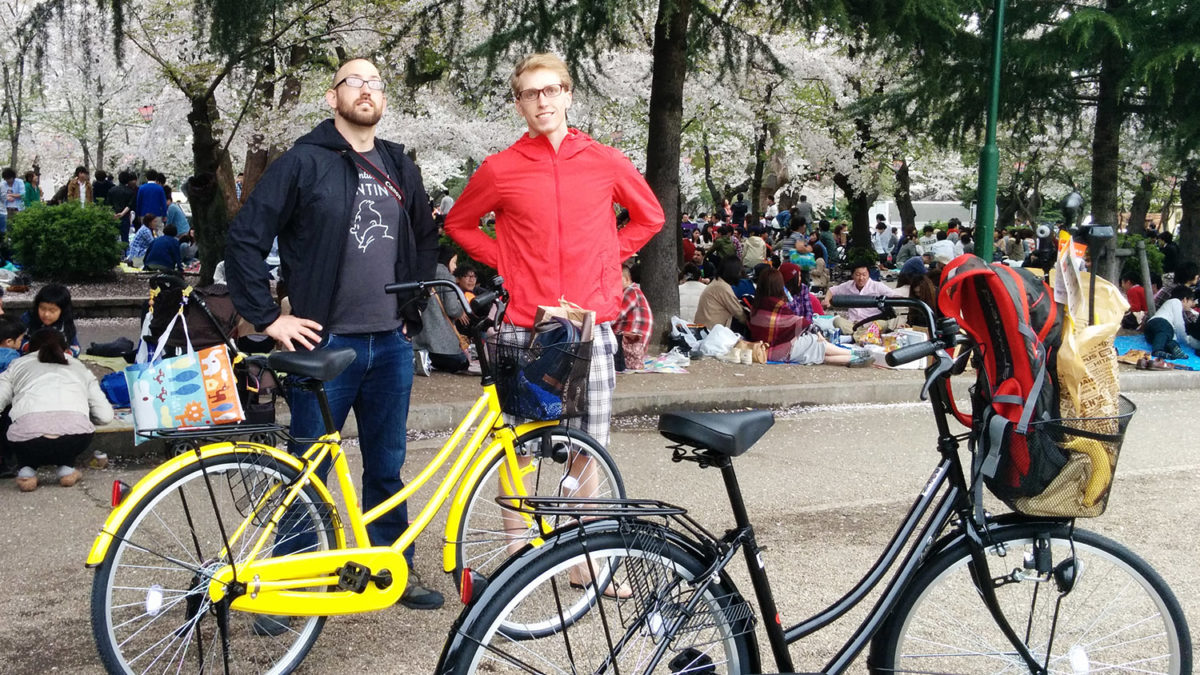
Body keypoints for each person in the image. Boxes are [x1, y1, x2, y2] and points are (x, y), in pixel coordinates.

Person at [226, 57, 442, 611]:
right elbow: (245, 238)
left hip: (391, 344)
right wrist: (270, 317)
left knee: (387, 465)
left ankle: (389, 569)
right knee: (307, 470)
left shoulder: (399, 164)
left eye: (376, 82)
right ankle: (287, 585)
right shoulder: (303, 162)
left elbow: (423, 236)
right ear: (333, 96)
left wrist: (411, 306)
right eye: (355, 82)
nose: (366, 90)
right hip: (324, 346)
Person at [445, 52, 663, 450]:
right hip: (523, 325)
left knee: (588, 450)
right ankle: (520, 516)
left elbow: (650, 217)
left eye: (551, 90)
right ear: (519, 105)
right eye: (530, 94)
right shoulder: (499, 168)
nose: (542, 101)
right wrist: (505, 260)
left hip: (588, 323)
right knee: (518, 453)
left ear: (568, 96)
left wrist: (605, 258)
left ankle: (585, 517)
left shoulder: (607, 161)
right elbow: (458, 223)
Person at [0, 328, 112, 491]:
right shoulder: (79, 366)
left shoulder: (17, 365)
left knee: (15, 422)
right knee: (66, 434)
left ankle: (26, 472)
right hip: (76, 438)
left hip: (27, 441)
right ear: (66, 350)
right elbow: (105, 415)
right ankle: (66, 470)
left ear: (29, 349)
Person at [750, 268, 868, 366]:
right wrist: (812, 331)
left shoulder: (757, 305)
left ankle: (852, 359)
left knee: (815, 352)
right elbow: (798, 321)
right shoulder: (778, 305)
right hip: (780, 349)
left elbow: (804, 316)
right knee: (814, 342)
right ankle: (853, 354)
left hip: (768, 348)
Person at [412, 246, 470, 376]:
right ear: (447, 259)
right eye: (454, 262)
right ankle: (430, 360)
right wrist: (460, 309)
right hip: (440, 341)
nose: (455, 267)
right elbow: (451, 308)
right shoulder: (445, 273)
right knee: (462, 362)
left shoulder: (422, 269)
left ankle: (423, 358)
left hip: (420, 337)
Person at [826, 262, 897, 333]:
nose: (861, 278)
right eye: (858, 275)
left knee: (882, 323)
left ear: (869, 275)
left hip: (871, 324)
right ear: (852, 275)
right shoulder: (848, 286)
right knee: (837, 321)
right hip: (853, 325)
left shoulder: (878, 286)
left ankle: (856, 336)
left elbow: (894, 295)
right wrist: (827, 300)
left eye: (864, 275)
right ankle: (861, 336)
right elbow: (832, 290)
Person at [20, 284, 80, 357]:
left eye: (52, 311)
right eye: (42, 309)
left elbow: (76, 347)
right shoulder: (28, 319)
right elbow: (13, 341)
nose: (46, 314)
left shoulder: (65, 322)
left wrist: (66, 353)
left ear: (63, 311)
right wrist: (29, 347)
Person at [613, 263, 652, 372]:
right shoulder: (634, 292)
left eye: (615, 279)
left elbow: (612, 318)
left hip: (631, 347)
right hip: (635, 346)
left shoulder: (630, 292)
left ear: (626, 279)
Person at [695, 256, 750, 334]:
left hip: (705, 330)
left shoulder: (717, 283)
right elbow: (739, 313)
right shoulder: (722, 287)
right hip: (710, 334)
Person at [1143, 285, 1199, 361]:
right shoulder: (1176, 301)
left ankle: (1173, 348)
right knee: (1165, 332)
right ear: (1185, 299)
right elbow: (1179, 324)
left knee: (1168, 339)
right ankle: (1157, 350)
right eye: (1191, 301)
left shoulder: (1172, 304)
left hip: (1152, 332)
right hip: (1159, 322)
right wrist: (1185, 340)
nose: (1192, 304)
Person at [105, 170, 137, 242]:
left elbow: (108, 204)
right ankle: (125, 253)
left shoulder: (112, 190)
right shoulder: (131, 192)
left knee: (113, 238)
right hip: (125, 217)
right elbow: (130, 205)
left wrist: (113, 214)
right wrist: (122, 213)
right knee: (125, 238)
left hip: (113, 216)